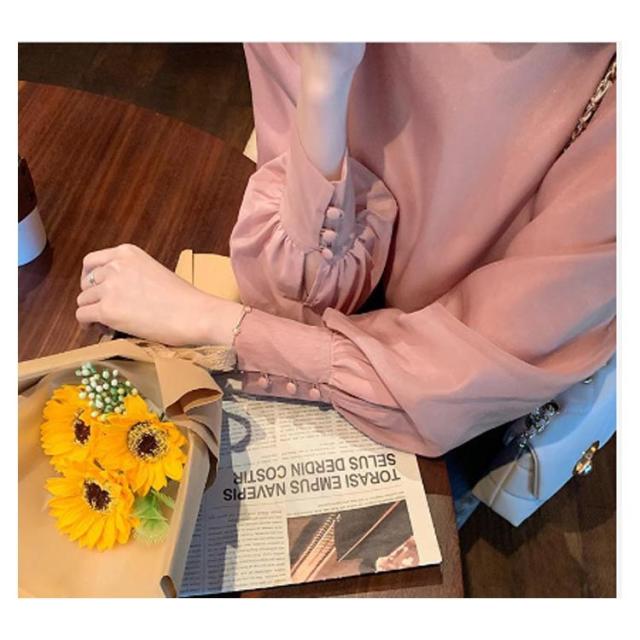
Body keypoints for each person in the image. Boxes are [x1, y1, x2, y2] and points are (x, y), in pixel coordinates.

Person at [76, 43, 616, 460]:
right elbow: (296, 299)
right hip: (346, 360)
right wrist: (325, 83)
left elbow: (463, 378)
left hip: (451, 420)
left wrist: (211, 322)